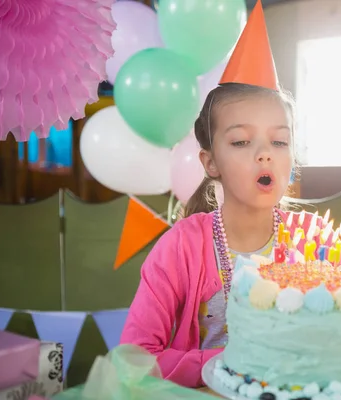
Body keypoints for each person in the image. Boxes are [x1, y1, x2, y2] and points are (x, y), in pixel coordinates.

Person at [120, 1, 325, 388]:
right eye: (242, 140)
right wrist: (236, 362)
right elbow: (135, 358)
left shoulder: (314, 239)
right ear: (210, 162)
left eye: (279, 141)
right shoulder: (181, 247)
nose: (264, 153)